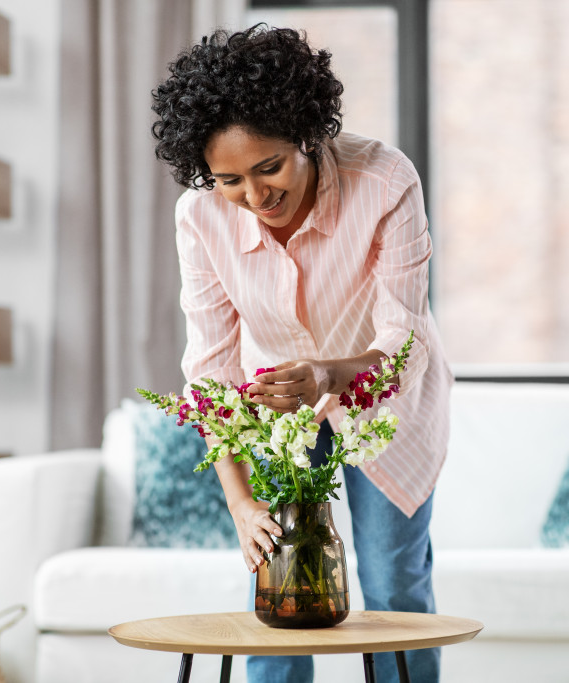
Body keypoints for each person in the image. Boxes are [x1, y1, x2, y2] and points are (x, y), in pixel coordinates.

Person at [151, 24, 453, 683]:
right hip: (280, 408)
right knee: (279, 588)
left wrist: (329, 373)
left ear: (308, 136)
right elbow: (210, 374)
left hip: (384, 402)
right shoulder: (200, 217)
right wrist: (240, 505)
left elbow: (403, 344)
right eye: (230, 180)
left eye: (270, 169)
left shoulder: (385, 180)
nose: (255, 199)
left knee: (392, 585)